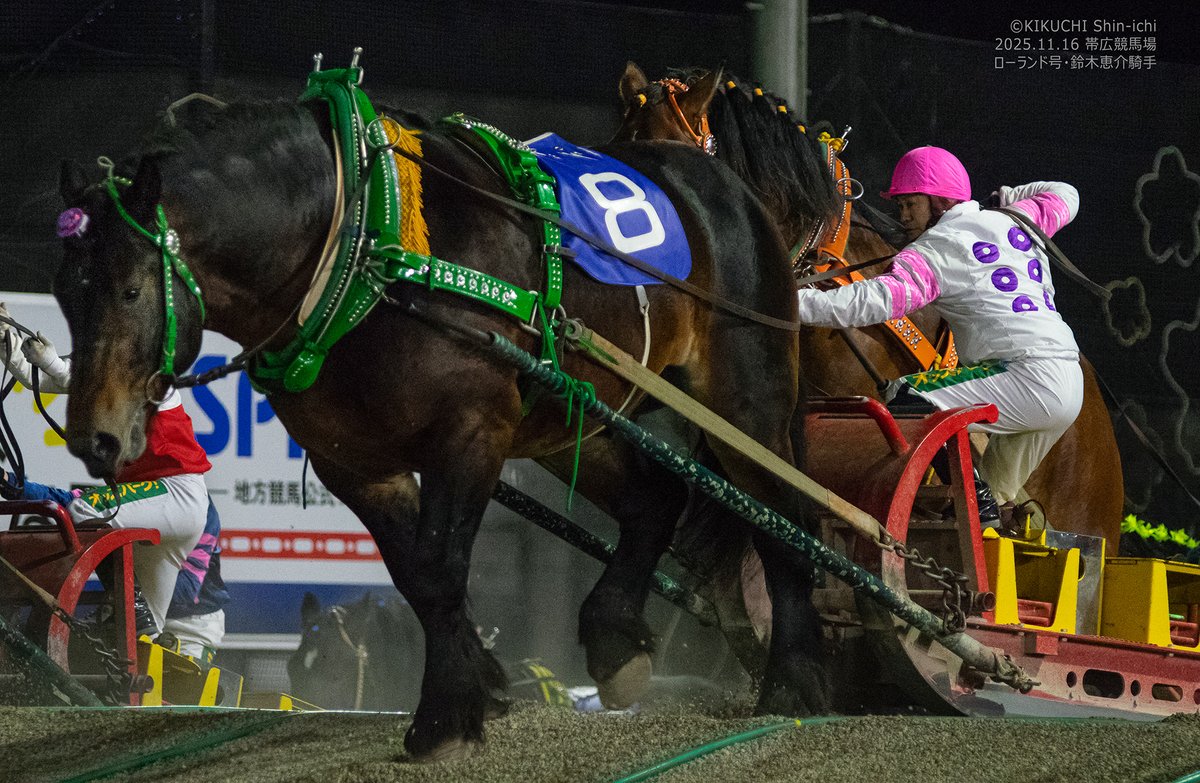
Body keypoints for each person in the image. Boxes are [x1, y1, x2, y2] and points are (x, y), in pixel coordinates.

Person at [795, 146, 1083, 526]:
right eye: (901, 206)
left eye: (911, 204)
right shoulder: (1020, 219)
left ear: (941, 201)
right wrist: (1011, 198)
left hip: (1025, 378)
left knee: (906, 396)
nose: (904, 217)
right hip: (1069, 383)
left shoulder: (936, 249)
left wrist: (793, 302)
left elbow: (874, 302)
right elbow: (1066, 194)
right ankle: (986, 514)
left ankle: (973, 501)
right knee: (988, 510)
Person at [0, 306, 212, 638]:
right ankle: (140, 679)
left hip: (174, 493)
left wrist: (52, 363)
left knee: (84, 511)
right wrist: (7, 340)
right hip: (166, 507)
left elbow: (108, 389)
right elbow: (35, 378)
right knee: (140, 635)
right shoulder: (109, 370)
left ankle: (134, 610)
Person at [159, 497, 229, 664]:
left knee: (182, 688)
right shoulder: (133, 493)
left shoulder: (198, 503)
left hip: (189, 626)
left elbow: (187, 589)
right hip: (138, 622)